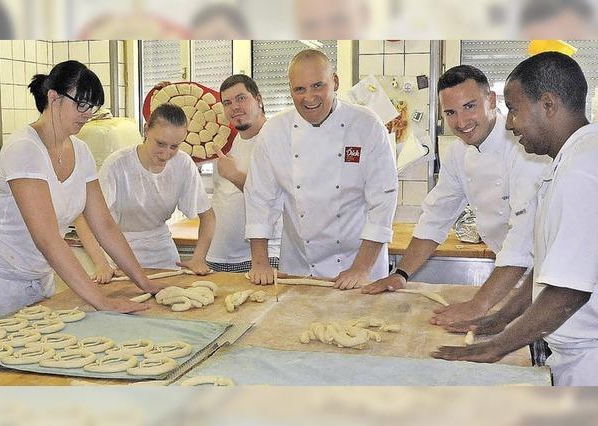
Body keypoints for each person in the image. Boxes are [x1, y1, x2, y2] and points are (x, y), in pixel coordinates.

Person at [0, 60, 166, 335]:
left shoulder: (81, 151)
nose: (87, 114)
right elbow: (46, 238)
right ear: (53, 97)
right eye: (81, 104)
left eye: (92, 106)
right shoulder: (24, 148)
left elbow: (103, 224)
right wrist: (100, 300)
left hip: (36, 281)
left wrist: (144, 282)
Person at [432, 52, 598, 386]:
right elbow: (550, 268)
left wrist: (497, 347)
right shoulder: (570, 161)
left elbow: (569, 291)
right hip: (575, 353)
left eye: (515, 109)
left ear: (548, 105)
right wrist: (501, 318)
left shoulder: (580, 171)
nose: (509, 124)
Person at [363, 65, 548, 327]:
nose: (461, 122)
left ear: (491, 100)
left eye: (470, 106)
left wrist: (478, 303)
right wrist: (401, 274)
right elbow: (436, 217)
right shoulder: (458, 153)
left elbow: (523, 237)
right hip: (510, 278)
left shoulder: (524, 146)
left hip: (548, 278)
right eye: (451, 112)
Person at [244, 49, 398, 289]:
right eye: (299, 89)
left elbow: (383, 201)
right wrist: (260, 262)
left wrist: (361, 268)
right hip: (299, 266)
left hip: (359, 264)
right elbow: (259, 199)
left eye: (318, 86)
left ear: (335, 82)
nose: (309, 97)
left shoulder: (367, 125)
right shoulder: (274, 131)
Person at [78, 103, 215, 276]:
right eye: (160, 144)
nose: (166, 154)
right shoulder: (117, 165)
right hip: (119, 253)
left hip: (163, 254)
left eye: (174, 147)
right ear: (146, 130)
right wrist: (101, 264)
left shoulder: (183, 164)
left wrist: (199, 258)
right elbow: (84, 219)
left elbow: (208, 216)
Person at [207, 74, 281, 272]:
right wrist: (164, 94)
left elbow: (277, 196)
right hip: (217, 255)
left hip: (263, 257)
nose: (235, 107)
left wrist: (234, 175)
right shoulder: (226, 142)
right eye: (227, 102)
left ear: (258, 99)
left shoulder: (276, 137)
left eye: (241, 98)